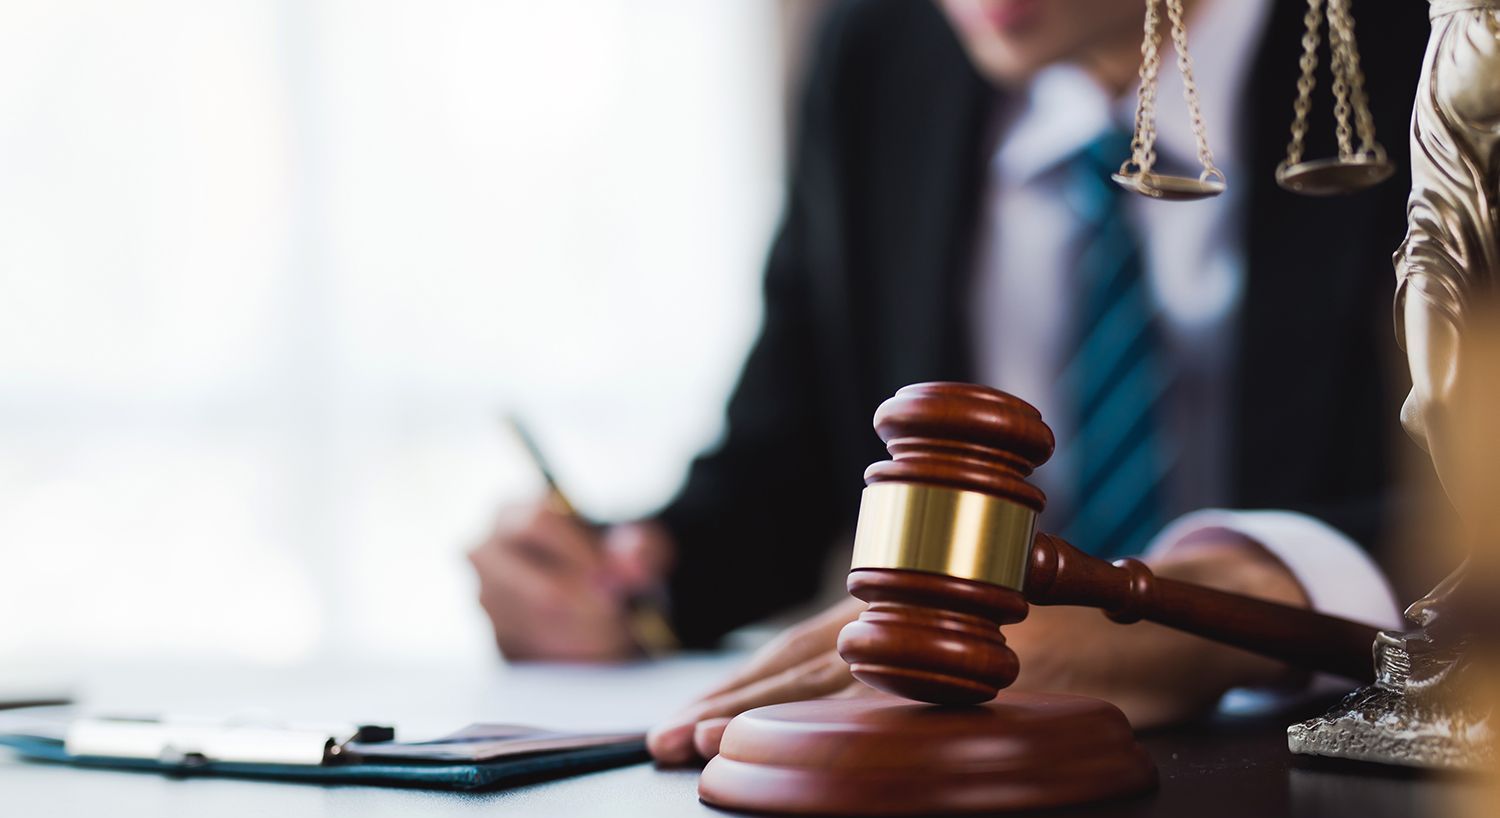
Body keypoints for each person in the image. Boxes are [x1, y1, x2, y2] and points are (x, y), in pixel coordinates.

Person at [468, 0, 1431, 760]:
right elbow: (784, 464)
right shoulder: (880, 52)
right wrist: (637, 578)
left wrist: (1202, 617)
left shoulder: (1444, 56)